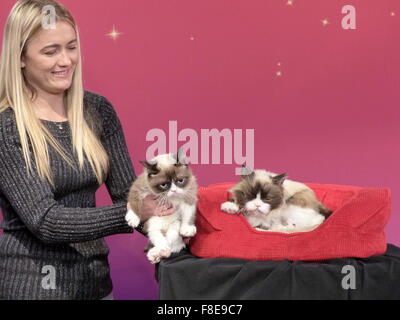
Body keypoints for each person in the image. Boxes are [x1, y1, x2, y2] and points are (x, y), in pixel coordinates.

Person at [0, 0, 172, 300]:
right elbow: (46, 221)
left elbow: (128, 194)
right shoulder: (7, 127)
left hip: (96, 286)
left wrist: (173, 224)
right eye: (50, 51)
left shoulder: (97, 110)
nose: (65, 60)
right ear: (21, 57)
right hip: (30, 289)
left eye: (71, 47)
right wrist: (132, 212)